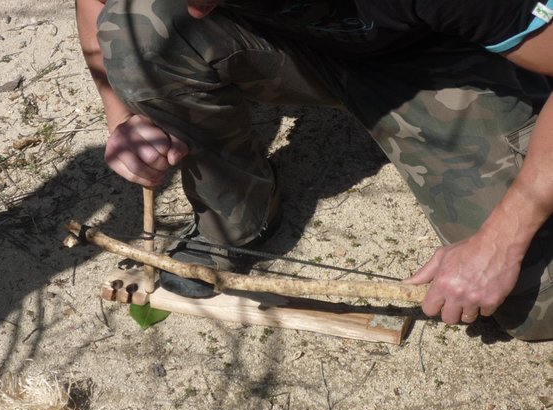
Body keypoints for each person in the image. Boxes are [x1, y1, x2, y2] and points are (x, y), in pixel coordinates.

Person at [76, 0, 553, 340]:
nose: (196, 11)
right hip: (297, 43)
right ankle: (240, 218)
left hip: (437, 58)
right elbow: (100, 6)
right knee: (139, 26)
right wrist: (125, 118)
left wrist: (500, 242)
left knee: (538, 306)